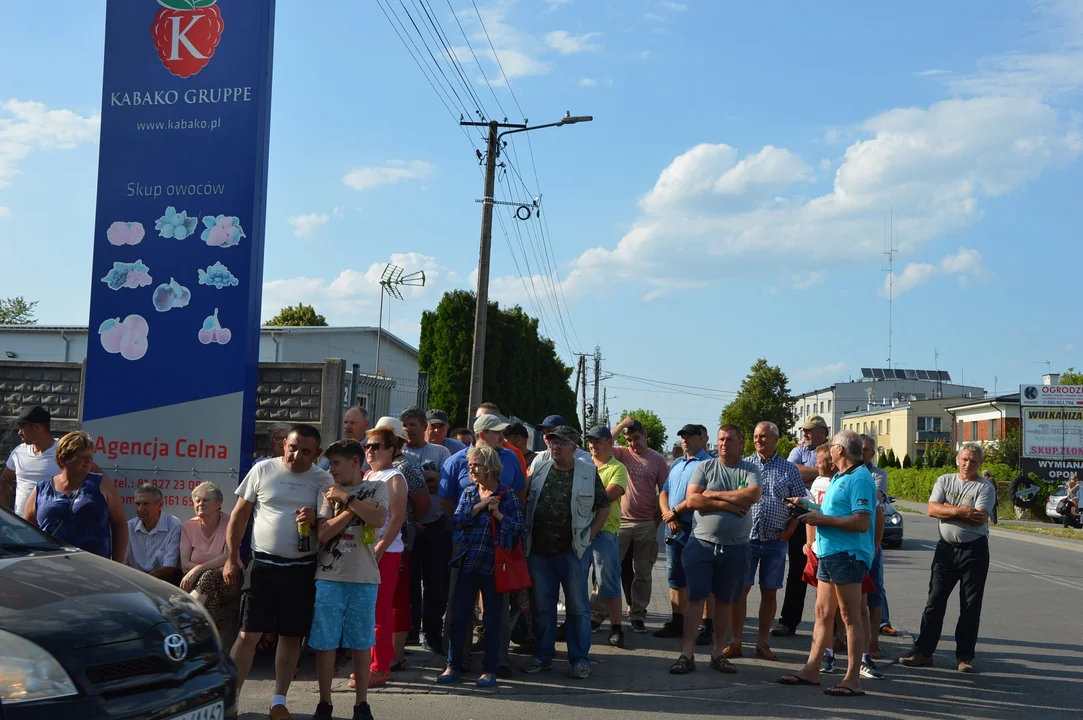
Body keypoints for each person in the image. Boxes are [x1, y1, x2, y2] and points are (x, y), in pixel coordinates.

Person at [224, 424, 332, 720]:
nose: (297, 455)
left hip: (301, 569)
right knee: (248, 634)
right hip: (262, 566)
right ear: (285, 444)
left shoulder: (324, 480)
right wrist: (231, 558)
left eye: (306, 451)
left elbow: (331, 525)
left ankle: (278, 702)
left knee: (291, 635)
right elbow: (239, 515)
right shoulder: (262, 470)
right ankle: (230, 700)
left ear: (317, 454)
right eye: (293, 447)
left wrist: (316, 517)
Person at [777, 430, 877, 698]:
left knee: (849, 617)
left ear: (841, 450)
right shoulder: (839, 477)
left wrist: (820, 520)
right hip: (829, 553)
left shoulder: (860, 478)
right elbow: (833, 513)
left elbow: (861, 522)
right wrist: (806, 505)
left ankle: (852, 679)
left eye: (832, 445)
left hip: (848, 555)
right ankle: (812, 670)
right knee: (822, 612)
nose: (828, 449)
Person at [438, 414, 527, 677]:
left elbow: (520, 526)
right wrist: (478, 507)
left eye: (476, 467)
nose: (472, 470)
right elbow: (454, 518)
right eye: (471, 466)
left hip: (495, 561)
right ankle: (454, 663)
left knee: (493, 618)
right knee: (458, 613)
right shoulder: (466, 489)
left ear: (488, 467)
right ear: (481, 435)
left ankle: (493, 666)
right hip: (466, 559)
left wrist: (500, 515)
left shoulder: (507, 487)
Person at [669, 425, 761, 676]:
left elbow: (753, 494)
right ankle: (687, 653)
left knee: (724, 601)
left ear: (741, 442)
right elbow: (693, 500)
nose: (724, 444)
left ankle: (718, 653)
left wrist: (714, 494)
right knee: (695, 599)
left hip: (736, 547)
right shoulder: (705, 467)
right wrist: (732, 505)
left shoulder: (749, 469)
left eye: (730, 440)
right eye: (721, 439)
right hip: (702, 544)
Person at [522, 426, 610, 679]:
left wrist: (590, 536)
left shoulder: (587, 472)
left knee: (578, 608)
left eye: (561, 443)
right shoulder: (539, 468)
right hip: (539, 551)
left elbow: (603, 507)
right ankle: (543, 655)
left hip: (572, 551)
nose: (555, 447)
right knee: (543, 607)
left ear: (574, 447)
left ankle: (580, 659)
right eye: (551, 442)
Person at [310, 439, 389, 720]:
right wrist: (350, 506)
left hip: (364, 576)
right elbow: (323, 533)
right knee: (325, 640)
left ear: (355, 462)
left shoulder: (378, 487)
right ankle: (324, 702)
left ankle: (361, 703)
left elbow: (379, 519)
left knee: (361, 641)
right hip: (329, 576)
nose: (331, 470)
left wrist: (348, 499)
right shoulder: (326, 491)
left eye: (336, 463)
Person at [900, 443, 996, 674]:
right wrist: (960, 511)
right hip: (945, 550)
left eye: (973, 461)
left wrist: (947, 508)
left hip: (974, 551)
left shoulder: (985, 488)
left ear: (980, 464)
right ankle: (923, 652)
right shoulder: (944, 480)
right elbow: (931, 510)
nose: (967, 464)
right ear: (957, 460)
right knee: (935, 601)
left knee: (970, 606)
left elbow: (980, 518)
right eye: (964, 459)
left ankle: (964, 657)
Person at [727, 422, 805, 662]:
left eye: (763, 436)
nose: (759, 440)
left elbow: (801, 501)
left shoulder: (789, 469)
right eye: (755, 436)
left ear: (776, 439)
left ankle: (762, 643)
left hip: (775, 541)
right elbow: (731, 496)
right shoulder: (745, 465)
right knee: (741, 591)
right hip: (746, 539)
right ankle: (736, 642)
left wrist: (791, 528)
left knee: (769, 592)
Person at [374, 417, 431, 670]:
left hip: (397, 543)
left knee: (395, 600)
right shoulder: (374, 470)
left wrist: (409, 523)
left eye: (379, 444)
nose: (373, 449)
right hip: (384, 542)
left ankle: (394, 655)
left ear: (393, 444)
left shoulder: (404, 469)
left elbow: (422, 502)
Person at [23, 430, 127, 562]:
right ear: (63, 459)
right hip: (51, 567)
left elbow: (119, 523)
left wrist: (118, 563)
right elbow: (27, 530)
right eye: (82, 457)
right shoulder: (41, 489)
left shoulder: (101, 484)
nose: (89, 461)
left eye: (90, 456)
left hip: (95, 568)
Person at [610, 416, 670, 634]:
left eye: (636, 438)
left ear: (645, 435)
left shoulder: (658, 460)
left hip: (646, 523)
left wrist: (655, 523)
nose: (633, 443)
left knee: (643, 573)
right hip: (621, 522)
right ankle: (598, 614)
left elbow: (664, 492)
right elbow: (604, 445)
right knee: (609, 568)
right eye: (628, 439)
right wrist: (620, 426)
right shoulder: (622, 454)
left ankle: (638, 614)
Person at [400, 406, 452, 654]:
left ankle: (431, 633)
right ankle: (408, 631)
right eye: (405, 425)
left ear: (424, 427)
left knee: (435, 582)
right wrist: (426, 480)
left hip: (435, 525)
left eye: (413, 424)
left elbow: (444, 483)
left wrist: (427, 480)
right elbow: (405, 488)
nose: (409, 429)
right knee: (409, 582)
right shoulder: (399, 452)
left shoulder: (440, 451)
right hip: (407, 527)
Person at [654, 424, 711, 640]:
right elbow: (664, 492)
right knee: (675, 577)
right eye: (682, 437)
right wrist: (667, 513)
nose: (684, 440)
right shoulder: (677, 463)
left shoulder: (708, 464)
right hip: (674, 528)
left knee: (701, 579)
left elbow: (702, 496)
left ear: (701, 438)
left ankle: (707, 626)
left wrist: (675, 512)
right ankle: (678, 621)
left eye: (689, 436)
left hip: (696, 529)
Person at [361, 426, 409, 688]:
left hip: (386, 552)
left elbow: (397, 519)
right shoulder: (369, 474)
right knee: (367, 610)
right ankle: (367, 663)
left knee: (380, 611)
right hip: (365, 550)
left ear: (391, 450)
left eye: (376, 445)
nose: (370, 450)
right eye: (368, 445)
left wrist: (380, 548)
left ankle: (380, 668)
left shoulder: (395, 478)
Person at [775, 414, 830, 637]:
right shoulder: (799, 451)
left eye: (810, 430)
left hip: (826, 520)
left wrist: (813, 473)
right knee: (797, 571)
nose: (805, 434)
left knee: (825, 575)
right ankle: (788, 621)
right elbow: (793, 472)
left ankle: (828, 628)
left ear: (823, 433)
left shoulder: (834, 449)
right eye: (804, 430)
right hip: (800, 518)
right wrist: (823, 470)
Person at [585, 426, 630, 648]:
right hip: (579, 530)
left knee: (608, 583)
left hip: (605, 532)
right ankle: (577, 624)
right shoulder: (583, 464)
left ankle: (617, 629)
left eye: (598, 441)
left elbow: (610, 495)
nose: (593, 445)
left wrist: (581, 495)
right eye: (590, 441)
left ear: (609, 443)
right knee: (576, 581)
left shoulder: (618, 468)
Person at [180, 482, 236, 623]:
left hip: (228, 582)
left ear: (218, 503)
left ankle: (187, 608)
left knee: (210, 575)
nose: (200, 504)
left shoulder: (231, 523)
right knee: (210, 597)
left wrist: (199, 568)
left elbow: (227, 557)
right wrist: (202, 571)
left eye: (205, 500)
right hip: (197, 583)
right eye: (197, 501)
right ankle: (207, 634)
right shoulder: (188, 526)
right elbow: (185, 565)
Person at [860, 435, 892, 648]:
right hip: (848, 539)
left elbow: (876, 499)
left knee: (874, 588)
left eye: (866, 450)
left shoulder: (878, 474)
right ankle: (839, 638)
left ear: (872, 453)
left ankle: (873, 642)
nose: (862, 453)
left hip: (871, 540)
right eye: (858, 449)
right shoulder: (841, 472)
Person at [2, 406, 61, 515]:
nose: (19, 432)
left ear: (37, 427)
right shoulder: (19, 452)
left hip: (50, 528)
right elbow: (4, 480)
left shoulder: (64, 451)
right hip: (20, 527)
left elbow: (95, 478)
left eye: (22, 427)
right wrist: (6, 514)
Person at [125, 484, 183, 582]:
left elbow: (169, 567)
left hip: (162, 583)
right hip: (132, 582)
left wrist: (143, 580)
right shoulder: (129, 527)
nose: (140, 509)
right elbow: (121, 563)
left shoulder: (174, 525)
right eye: (137, 504)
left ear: (160, 505)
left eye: (146, 504)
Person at [527, 415, 592, 475]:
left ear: (563, 432)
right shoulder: (541, 457)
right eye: (544, 433)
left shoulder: (583, 456)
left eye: (550, 432)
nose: (546, 437)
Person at [475, 402, 527, 475]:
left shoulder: (513, 454)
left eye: (486, 418)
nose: (479, 422)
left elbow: (521, 485)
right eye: (477, 419)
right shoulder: (460, 458)